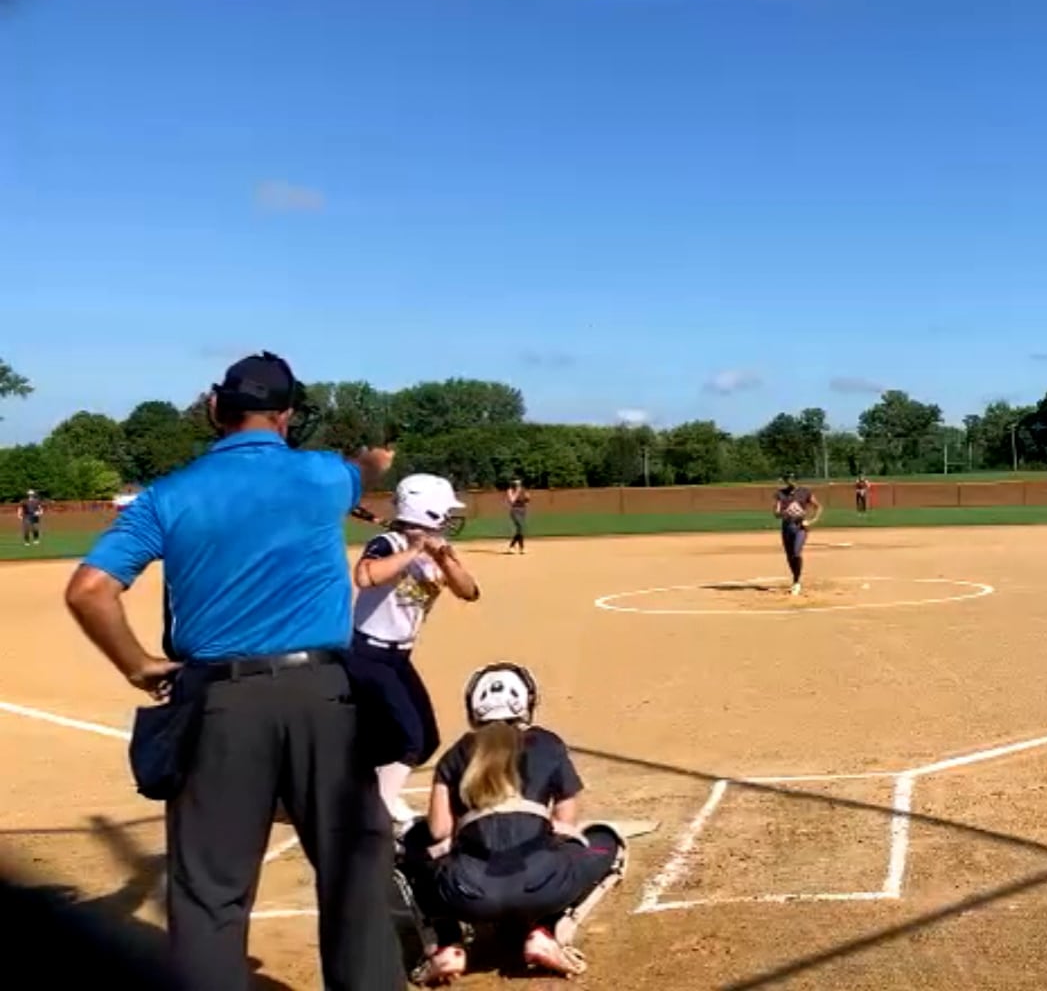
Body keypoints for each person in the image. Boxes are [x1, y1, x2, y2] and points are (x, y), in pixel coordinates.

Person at [63, 351, 404, 991]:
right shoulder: (323, 476)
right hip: (324, 698)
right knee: (354, 874)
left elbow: (88, 591)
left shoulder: (169, 494)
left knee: (209, 895)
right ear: (287, 416)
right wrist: (374, 460)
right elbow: (361, 471)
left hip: (218, 703)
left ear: (216, 407)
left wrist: (138, 666)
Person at [394, 662, 631, 983]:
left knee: (411, 842)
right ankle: (548, 932)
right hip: (544, 885)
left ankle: (445, 944)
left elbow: (438, 831)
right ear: (526, 703)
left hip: (468, 893)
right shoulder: (547, 744)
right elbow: (565, 820)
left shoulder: (455, 754)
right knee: (605, 839)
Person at [351, 474, 479, 831]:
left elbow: (469, 591)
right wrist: (414, 550)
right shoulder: (387, 543)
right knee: (409, 738)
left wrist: (444, 559)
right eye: (445, 512)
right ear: (428, 511)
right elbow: (365, 576)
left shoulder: (438, 551)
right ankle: (378, 811)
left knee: (426, 740)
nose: (450, 518)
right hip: (366, 654)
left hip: (398, 657)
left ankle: (375, 791)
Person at [774, 475, 822, 596]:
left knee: (796, 553)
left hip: (800, 527)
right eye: (788, 479)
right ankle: (795, 578)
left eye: (793, 479)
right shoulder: (781, 493)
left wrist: (810, 521)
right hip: (786, 527)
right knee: (790, 556)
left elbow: (818, 507)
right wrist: (780, 513)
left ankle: (796, 581)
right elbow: (776, 512)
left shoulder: (805, 492)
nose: (791, 481)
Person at [505, 478, 530, 555]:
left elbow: (527, 500)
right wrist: (517, 492)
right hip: (515, 510)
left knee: (520, 529)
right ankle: (518, 547)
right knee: (520, 527)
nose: (519, 485)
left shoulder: (523, 490)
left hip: (522, 510)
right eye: (517, 484)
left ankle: (516, 547)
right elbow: (512, 501)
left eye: (519, 484)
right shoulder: (510, 491)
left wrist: (527, 497)